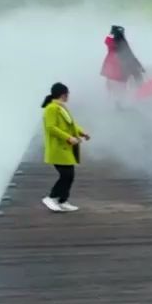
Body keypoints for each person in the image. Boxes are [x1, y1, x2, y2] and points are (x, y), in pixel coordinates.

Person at [40, 82, 87, 212]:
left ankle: (62, 200)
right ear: (63, 94)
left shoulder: (61, 107)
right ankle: (51, 197)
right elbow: (51, 127)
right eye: (67, 94)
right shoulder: (52, 108)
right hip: (58, 148)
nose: (68, 96)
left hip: (65, 148)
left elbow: (71, 125)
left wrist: (82, 133)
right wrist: (68, 137)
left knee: (69, 175)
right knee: (66, 175)